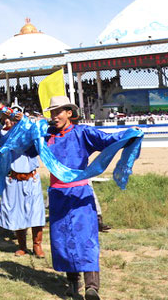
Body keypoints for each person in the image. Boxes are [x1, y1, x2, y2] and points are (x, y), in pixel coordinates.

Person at [40, 96, 131, 300]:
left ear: (69, 113)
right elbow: (25, 146)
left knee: (86, 238)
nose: (54, 117)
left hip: (80, 193)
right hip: (57, 194)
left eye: (58, 112)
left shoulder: (82, 132)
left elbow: (107, 139)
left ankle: (92, 287)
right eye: (52, 113)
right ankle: (73, 284)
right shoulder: (46, 136)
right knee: (62, 240)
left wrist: (129, 135)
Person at [0, 105, 45, 257]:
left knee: (36, 213)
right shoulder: (6, 136)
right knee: (17, 212)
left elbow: (40, 135)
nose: (12, 120)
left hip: (31, 178)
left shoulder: (30, 131)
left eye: (15, 116)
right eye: (10, 117)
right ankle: (22, 246)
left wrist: (24, 120)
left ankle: (37, 245)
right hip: (13, 178)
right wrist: (1, 120)